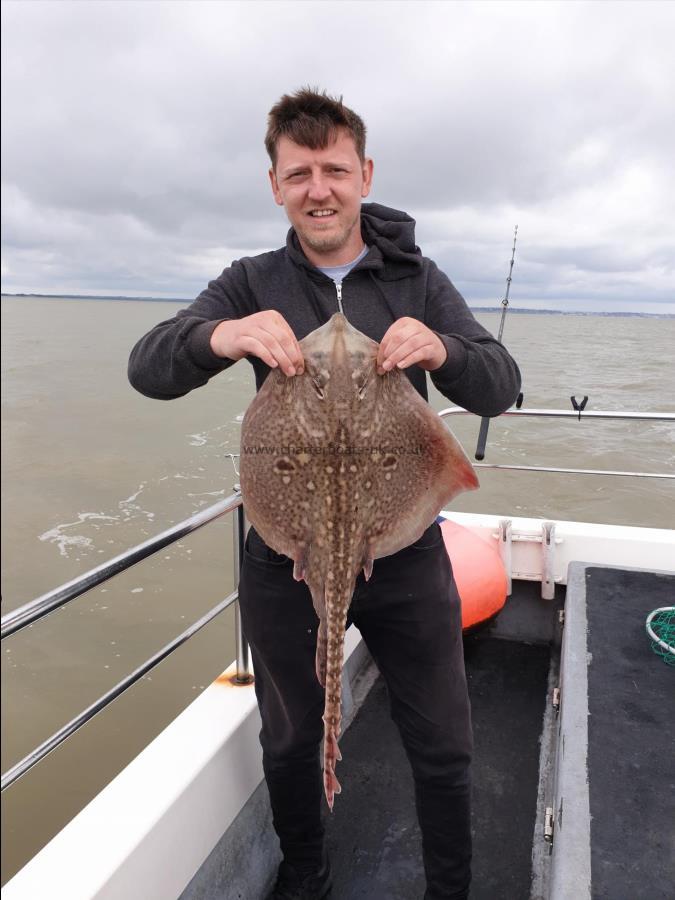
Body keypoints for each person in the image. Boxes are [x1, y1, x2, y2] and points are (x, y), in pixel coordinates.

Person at [128, 88, 521, 900]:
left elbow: (500, 385)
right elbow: (149, 366)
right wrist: (219, 335)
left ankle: (451, 887)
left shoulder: (417, 279)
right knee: (289, 736)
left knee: (444, 741)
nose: (319, 188)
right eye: (299, 172)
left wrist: (444, 349)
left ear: (363, 174)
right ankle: (305, 874)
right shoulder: (250, 280)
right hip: (287, 552)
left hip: (403, 550)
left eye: (335, 169)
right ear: (274, 184)